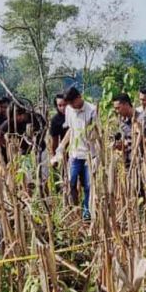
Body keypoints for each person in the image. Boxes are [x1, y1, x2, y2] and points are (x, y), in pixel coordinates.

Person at [53, 86, 98, 220]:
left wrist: (98, 156)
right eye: (69, 104)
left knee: (89, 186)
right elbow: (71, 130)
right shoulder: (69, 110)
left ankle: (86, 212)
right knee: (70, 183)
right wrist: (61, 148)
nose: (71, 106)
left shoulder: (92, 110)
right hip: (74, 154)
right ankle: (74, 210)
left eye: (72, 103)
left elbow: (97, 134)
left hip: (89, 155)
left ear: (79, 97)